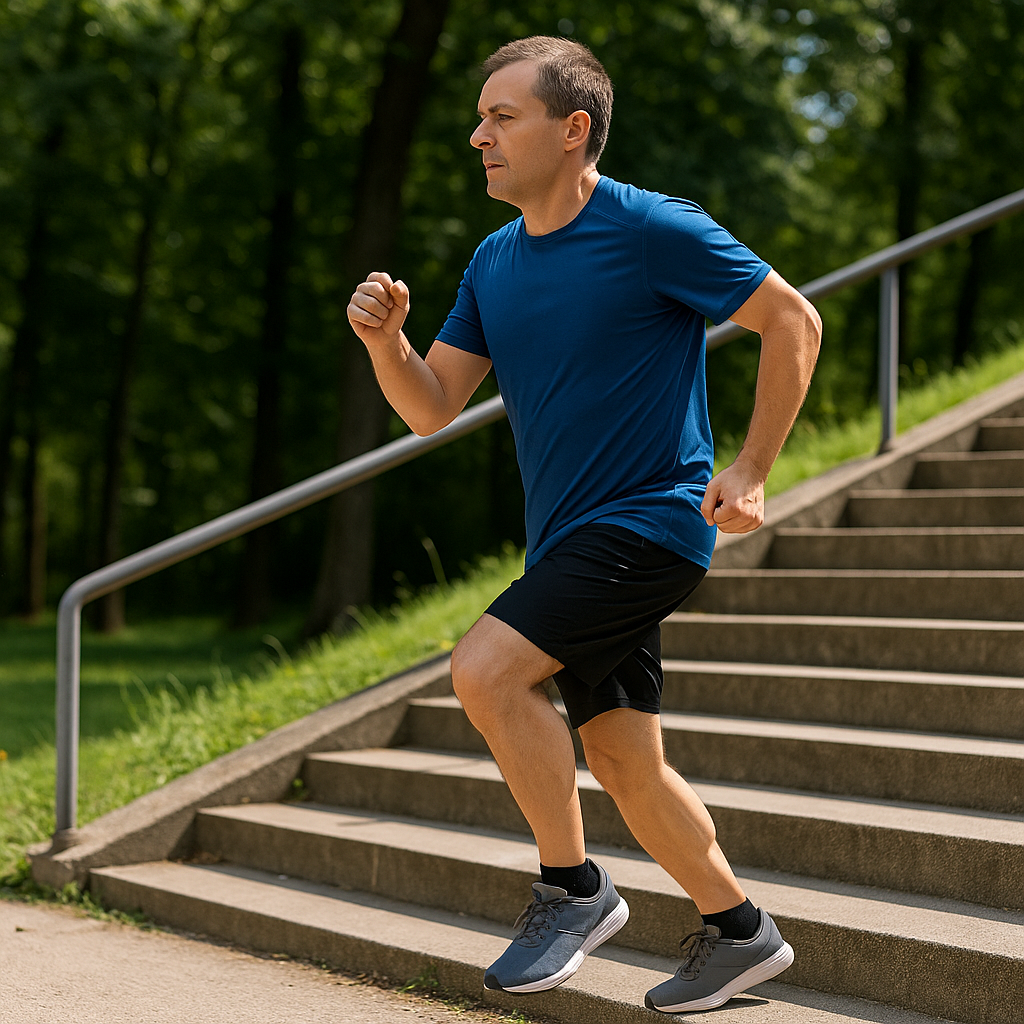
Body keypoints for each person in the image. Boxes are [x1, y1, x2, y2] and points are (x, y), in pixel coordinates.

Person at [346, 35, 821, 1015]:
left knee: (482, 668)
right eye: (478, 117)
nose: (477, 134)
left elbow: (792, 321)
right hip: (568, 540)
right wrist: (386, 343)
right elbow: (432, 403)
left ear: (572, 130)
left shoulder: (651, 227)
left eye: (500, 116)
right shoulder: (494, 259)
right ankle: (739, 930)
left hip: (652, 521)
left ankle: (571, 890)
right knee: (622, 759)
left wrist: (751, 468)